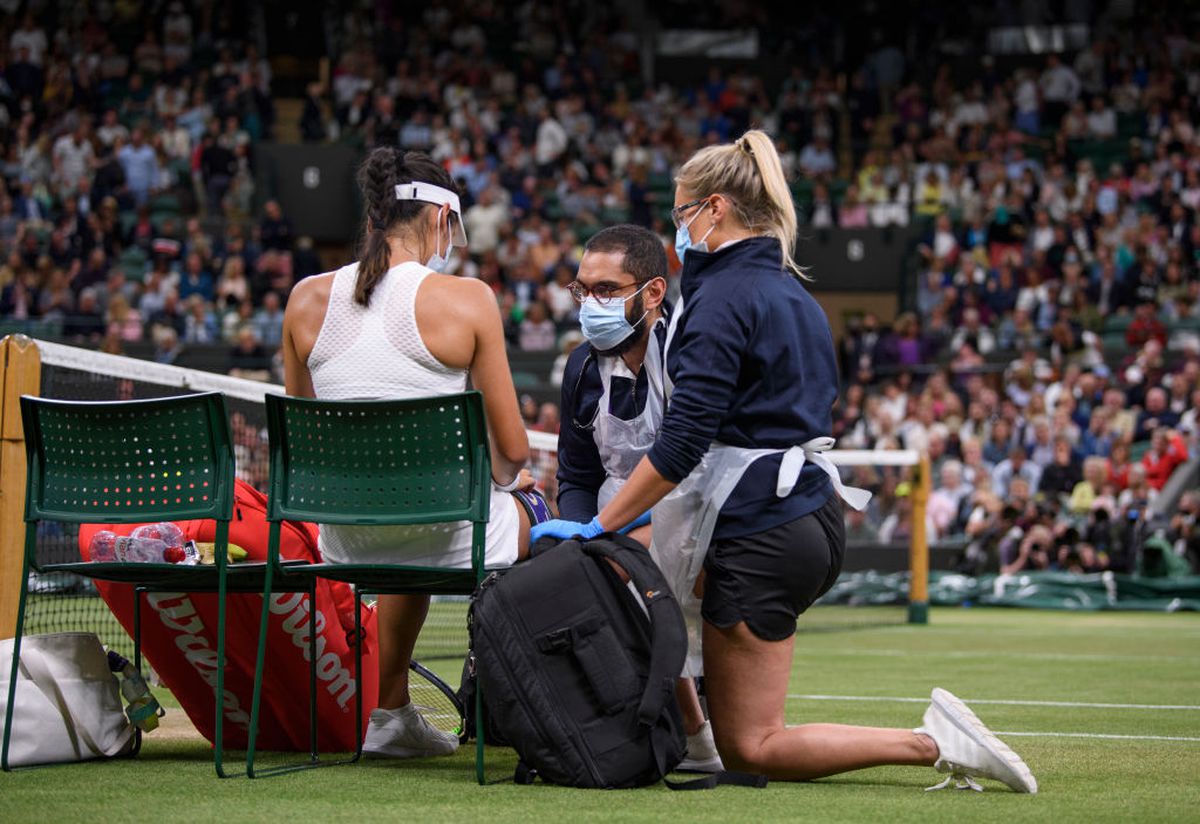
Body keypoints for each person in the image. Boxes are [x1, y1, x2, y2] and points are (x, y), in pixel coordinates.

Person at [533, 130, 1036, 792]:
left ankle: (930, 742)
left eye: (683, 212)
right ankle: (692, 730)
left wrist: (600, 527)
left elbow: (682, 443)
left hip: (762, 524)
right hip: (805, 514)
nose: (678, 228)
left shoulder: (720, 298)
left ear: (715, 209)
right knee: (720, 702)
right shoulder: (789, 290)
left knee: (753, 746)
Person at [282, 147, 550, 760]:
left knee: (409, 519)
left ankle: (391, 712)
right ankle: (507, 709)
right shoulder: (469, 299)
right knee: (544, 512)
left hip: (345, 540)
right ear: (437, 219)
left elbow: (302, 443)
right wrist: (513, 481)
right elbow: (510, 453)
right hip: (451, 534)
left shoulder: (302, 301)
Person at [555, 224, 721, 772]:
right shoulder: (580, 368)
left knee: (634, 570)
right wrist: (580, 537)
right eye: (582, 290)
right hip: (609, 520)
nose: (589, 303)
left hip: (694, 511)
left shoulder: (687, 352)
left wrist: (609, 533)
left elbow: (694, 463)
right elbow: (576, 476)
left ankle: (696, 726)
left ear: (652, 293)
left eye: (606, 290)